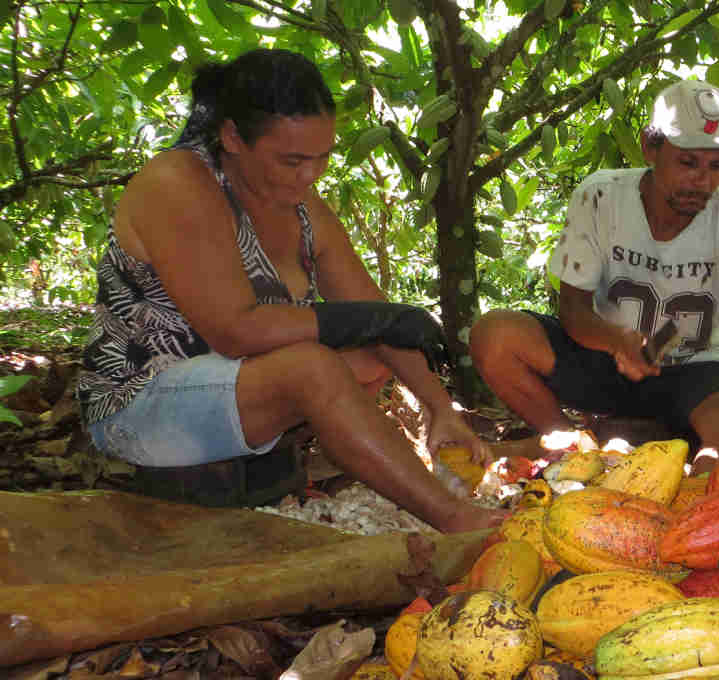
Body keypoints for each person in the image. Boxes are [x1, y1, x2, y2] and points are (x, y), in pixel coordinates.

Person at [75, 49, 505, 533]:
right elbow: (238, 331)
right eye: (293, 160)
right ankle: (456, 520)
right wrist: (370, 321)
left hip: (236, 391)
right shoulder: (178, 182)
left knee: (372, 353)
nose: (311, 174)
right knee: (313, 366)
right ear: (232, 137)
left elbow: (375, 312)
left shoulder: (301, 205)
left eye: (322, 158)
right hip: (137, 405)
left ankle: (284, 468)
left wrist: (439, 409)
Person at [470, 80, 719, 474]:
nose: (702, 182)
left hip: (696, 373)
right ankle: (569, 445)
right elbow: (572, 308)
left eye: (716, 166)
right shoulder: (602, 198)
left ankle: (700, 487)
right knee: (494, 335)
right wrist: (617, 341)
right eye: (688, 163)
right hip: (604, 359)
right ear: (650, 147)